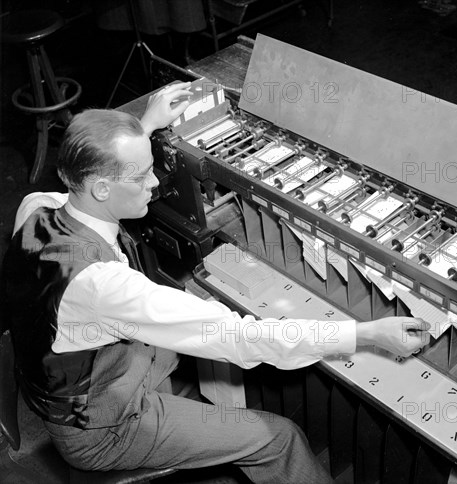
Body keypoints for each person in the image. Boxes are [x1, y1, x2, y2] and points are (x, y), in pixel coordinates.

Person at [2, 82, 431, 484]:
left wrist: (143, 126)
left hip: (70, 379)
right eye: (141, 176)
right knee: (277, 437)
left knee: (200, 348)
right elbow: (237, 337)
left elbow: (88, 163)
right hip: (104, 427)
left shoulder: (37, 206)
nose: (155, 183)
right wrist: (365, 333)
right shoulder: (103, 286)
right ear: (99, 188)